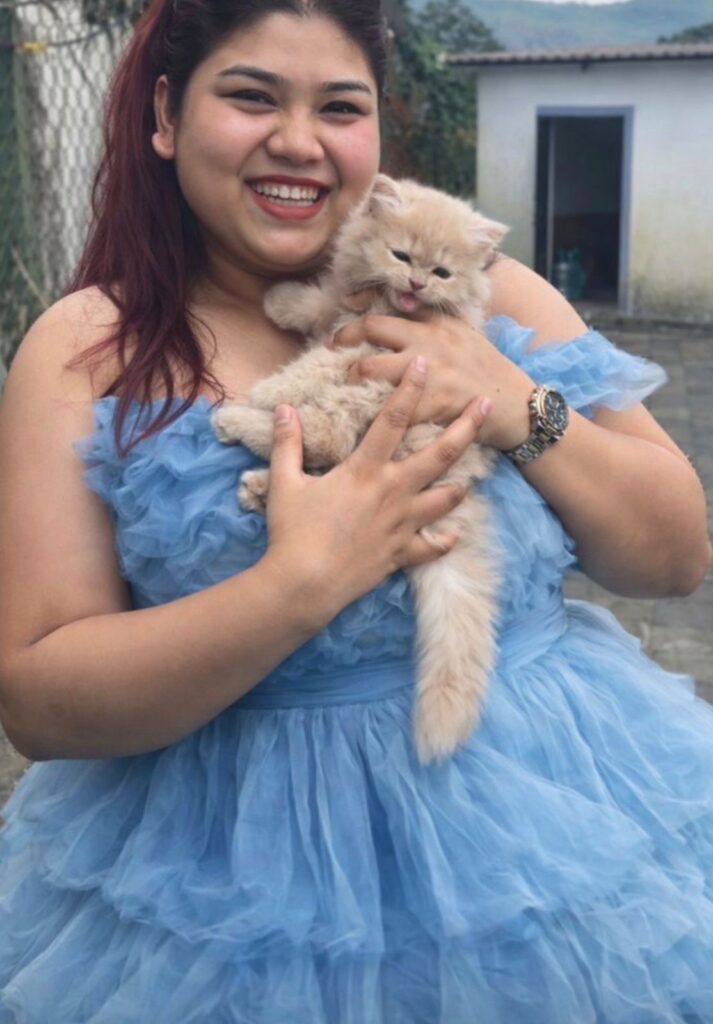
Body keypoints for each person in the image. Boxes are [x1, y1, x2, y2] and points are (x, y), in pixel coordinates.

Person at [0, 0, 712, 1020]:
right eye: (251, 96)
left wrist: (515, 402)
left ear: (376, 133)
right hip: (230, 888)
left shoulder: (493, 293)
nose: (298, 141)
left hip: (546, 841)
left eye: (339, 107)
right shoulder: (89, 349)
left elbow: (676, 556)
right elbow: (39, 703)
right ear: (164, 115)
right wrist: (299, 584)